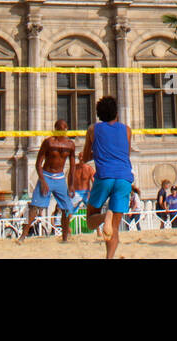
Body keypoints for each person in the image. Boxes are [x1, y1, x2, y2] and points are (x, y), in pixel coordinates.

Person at [81, 95, 134, 259]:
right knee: (114, 228)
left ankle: (105, 216)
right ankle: (109, 257)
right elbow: (126, 153)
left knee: (90, 220)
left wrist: (93, 154)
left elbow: (85, 157)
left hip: (105, 176)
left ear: (99, 115)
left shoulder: (93, 129)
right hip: (124, 177)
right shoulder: (127, 129)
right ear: (116, 113)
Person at [20, 120, 76, 242]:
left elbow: (72, 167)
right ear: (55, 129)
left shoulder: (70, 145)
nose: (62, 131)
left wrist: (71, 185)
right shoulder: (49, 142)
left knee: (66, 209)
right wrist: (43, 181)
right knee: (35, 207)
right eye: (59, 128)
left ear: (66, 129)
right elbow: (38, 163)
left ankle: (65, 238)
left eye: (64, 128)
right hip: (47, 175)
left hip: (60, 178)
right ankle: (23, 236)